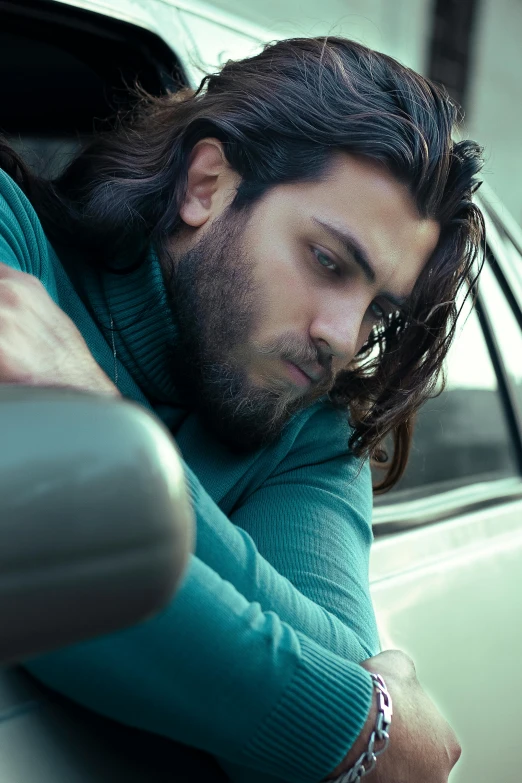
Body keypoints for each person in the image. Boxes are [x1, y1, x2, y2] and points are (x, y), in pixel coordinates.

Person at [0, 36, 483, 783]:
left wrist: (110, 441)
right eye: (327, 261)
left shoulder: (308, 432)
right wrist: (362, 729)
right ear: (208, 183)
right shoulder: (10, 242)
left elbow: (335, 662)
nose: (343, 338)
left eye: (379, 310)